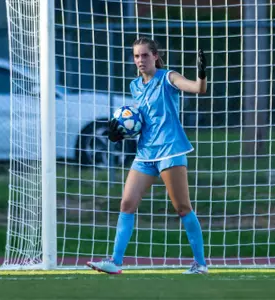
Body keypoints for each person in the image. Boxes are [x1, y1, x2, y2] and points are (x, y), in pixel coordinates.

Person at [87, 37, 208, 274]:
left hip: (170, 150)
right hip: (145, 153)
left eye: (144, 55)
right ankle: (116, 262)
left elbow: (198, 89)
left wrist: (201, 75)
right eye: (136, 56)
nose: (140, 60)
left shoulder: (168, 78)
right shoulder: (135, 86)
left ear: (155, 56)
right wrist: (120, 133)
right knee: (127, 203)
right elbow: (141, 121)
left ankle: (200, 264)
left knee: (182, 208)